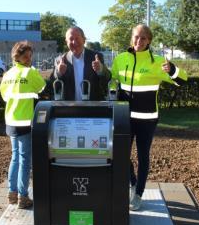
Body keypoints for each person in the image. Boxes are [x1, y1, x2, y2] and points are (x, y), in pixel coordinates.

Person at [111, 24, 187, 211]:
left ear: (149, 41)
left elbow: (182, 80)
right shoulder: (120, 59)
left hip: (147, 119)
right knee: (122, 154)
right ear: (132, 38)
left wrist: (172, 70)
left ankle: (138, 194)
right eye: (137, 37)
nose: (139, 41)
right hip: (124, 118)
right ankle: (133, 183)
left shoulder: (158, 61)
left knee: (143, 156)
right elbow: (113, 79)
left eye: (143, 38)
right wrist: (112, 87)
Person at [0, 41, 46, 208]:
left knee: (15, 157)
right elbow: (42, 87)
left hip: (10, 121)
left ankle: (12, 193)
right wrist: (33, 72)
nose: (28, 59)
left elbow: (5, 97)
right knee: (25, 159)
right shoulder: (29, 72)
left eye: (29, 56)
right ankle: (23, 197)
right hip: (25, 121)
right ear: (17, 56)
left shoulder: (7, 74)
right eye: (25, 56)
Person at [51, 26, 111, 100]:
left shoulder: (96, 57)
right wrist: (59, 73)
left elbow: (108, 79)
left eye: (77, 38)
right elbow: (52, 85)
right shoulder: (60, 60)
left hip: (93, 107)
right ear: (66, 42)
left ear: (84, 40)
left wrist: (101, 70)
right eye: (71, 39)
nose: (74, 42)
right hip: (70, 108)